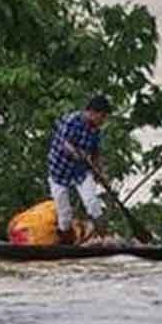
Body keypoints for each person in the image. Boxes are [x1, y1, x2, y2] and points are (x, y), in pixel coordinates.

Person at [47, 95, 110, 244]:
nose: (103, 121)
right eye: (102, 116)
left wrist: (101, 173)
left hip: (80, 172)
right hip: (59, 172)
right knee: (65, 215)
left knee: (93, 203)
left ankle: (104, 238)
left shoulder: (95, 130)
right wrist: (77, 154)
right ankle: (66, 244)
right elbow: (65, 144)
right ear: (92, 112)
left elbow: (96, 154)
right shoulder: (72, 121)